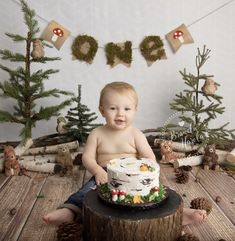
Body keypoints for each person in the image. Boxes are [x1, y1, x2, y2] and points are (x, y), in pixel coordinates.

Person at [43, 81, 207, 226]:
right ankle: (70, 211)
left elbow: (149, 157)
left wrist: (148, 171)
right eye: (113, 108)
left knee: (162, 192)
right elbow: (87, 158)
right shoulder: (97, 133)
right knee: (86, 192)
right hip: (106, 173)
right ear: (102, 110)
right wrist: (98, 171)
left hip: (136, 174)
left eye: (127, 108)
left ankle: (179, 214)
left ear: (135, 110)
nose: (120, 114)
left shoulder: (136, 134)